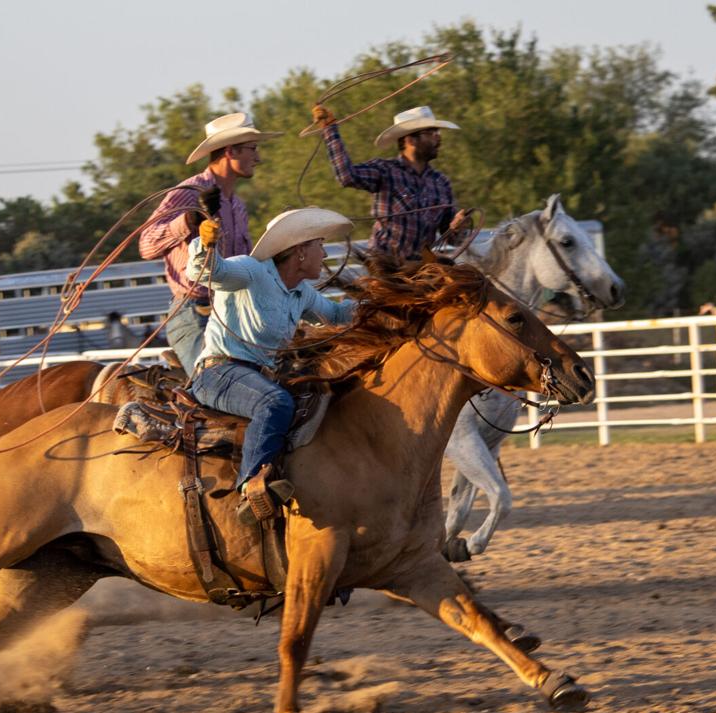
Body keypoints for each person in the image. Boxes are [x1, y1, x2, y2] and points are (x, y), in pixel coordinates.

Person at [185, 207, 357, 524]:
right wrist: (205, 244)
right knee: (275, 402)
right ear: (300, 251)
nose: (324, 254)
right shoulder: (251, 271)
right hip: (217, 373)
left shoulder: (301, 293)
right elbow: (206, 271)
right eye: (319, 245)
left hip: (255, 377)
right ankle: (251, 490)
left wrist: (384, 297)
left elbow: (335, 316)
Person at [139, 112, 282, 369]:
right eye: (252, 149)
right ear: (231, 151)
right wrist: (188, 220)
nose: (258, 158)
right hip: (195, 313)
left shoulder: (238, 206)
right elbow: (146, 244)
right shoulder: (188, 193)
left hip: (232, 313)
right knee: (218, 379)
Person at [304, 104, 469, 262]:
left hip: (421, 269)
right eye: (431, 133)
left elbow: (454, 240)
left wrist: (458, 228)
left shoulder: (441, 183)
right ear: (410, 140)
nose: (438, 137)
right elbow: (347, 176)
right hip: (384, 267)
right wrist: (330, 129)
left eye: (437, 132)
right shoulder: (385, 171)